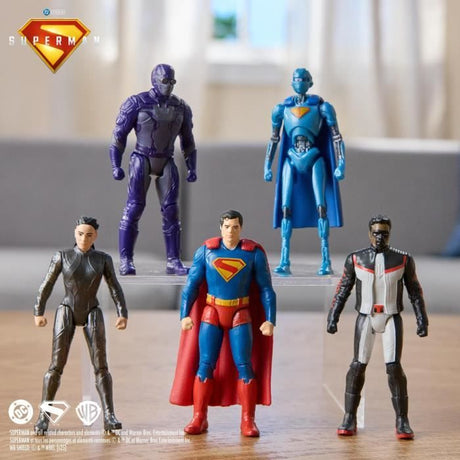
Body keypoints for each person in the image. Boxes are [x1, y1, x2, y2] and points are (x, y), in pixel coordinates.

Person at [170, 210, 276, 437]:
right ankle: (199, 416)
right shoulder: (206, 251)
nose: (231, 231)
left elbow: (266, 289)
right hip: (212, 312)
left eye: (235, 227)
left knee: (244, 365)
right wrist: (184, 315)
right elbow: (191, 286)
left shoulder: (253, 253)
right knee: (205, 364)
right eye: (227, 226)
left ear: (241, 228)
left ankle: (248, 420)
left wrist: (270, 320)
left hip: (240, 312)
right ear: (221, 227)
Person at [327, 215, 428, 439]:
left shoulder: (403, 259)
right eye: (376, 233)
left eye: (384, 233)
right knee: (357, 366)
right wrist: (333, 316)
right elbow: (343, 289)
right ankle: (349, 417)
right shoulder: (356, 259)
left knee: (394, 367)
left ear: (390, 234)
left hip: (391, 316)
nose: (380, 237)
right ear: (369, 234)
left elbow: (415, 292)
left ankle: (402, 420)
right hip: (366, 316)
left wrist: (422, 319)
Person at [33, 217, 128, 435]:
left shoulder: (102, 259)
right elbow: (47, 284)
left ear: (95, 236)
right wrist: (38, 311)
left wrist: (122, 313)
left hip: (92, 310)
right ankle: (43, 417)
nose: (84, 238)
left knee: (101, 366)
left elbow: (114, 286)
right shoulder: (62, 256)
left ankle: (109, 416)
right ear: (75, 233)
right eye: (80, 234)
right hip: (66, 310)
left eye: (89, 235)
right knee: (56, 366)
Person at [109, 63, 197, 276]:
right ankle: (126, 260)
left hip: (167, 160)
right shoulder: (136, 103)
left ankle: (173, 260)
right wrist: (115, 165)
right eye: (165, 81)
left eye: (172, 81)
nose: (169, 85)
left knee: (171, 211)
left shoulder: (181, 107)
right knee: (134, 208)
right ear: (154, 80)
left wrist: (192, 167)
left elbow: (188, 141)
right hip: (142, 158)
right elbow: (119, 136)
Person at [264, 68, 345, 275]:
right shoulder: (281, 108)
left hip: (314, 156)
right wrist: (267, 165)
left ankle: (325, 259)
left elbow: (336, 137)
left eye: (304, 79)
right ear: (292, 82)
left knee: (321, 207)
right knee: (285, 207)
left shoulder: (322, 107)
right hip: (291, 158)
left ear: (310, 83)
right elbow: (274, 139)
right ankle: (284, 259)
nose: (300, 82)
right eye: (296, 79)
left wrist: (341, 164)